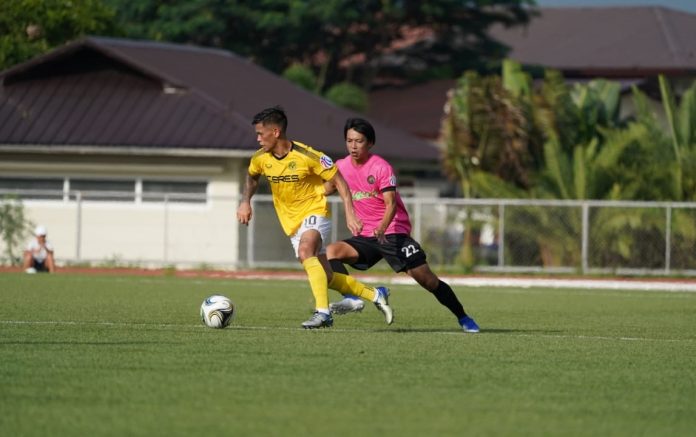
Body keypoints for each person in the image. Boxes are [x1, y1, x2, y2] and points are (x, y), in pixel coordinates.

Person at [236, 106, 393, 329]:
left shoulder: (307, 155)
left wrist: (350, 213)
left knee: (305, 250)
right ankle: (375, 294)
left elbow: (339, 181)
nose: (258, 138)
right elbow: (252, 177)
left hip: (315, 212)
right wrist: (245, 202)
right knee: (325, 276)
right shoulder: (260, 159)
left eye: (261, 133)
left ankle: (323, 313)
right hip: (291, 223)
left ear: (276, 132)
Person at [325, 117, 480, 333]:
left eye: (359, 141)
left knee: (428, 281)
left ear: (370, 143)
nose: (353, 146)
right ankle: (352, 298)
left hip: (391, 232)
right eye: (349, 141)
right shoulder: (340, 167)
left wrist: (381, 227)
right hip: (365, 236)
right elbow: (324, 189)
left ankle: (463, 317)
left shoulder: (381, 168)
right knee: (331, 252)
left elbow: (391, 206)